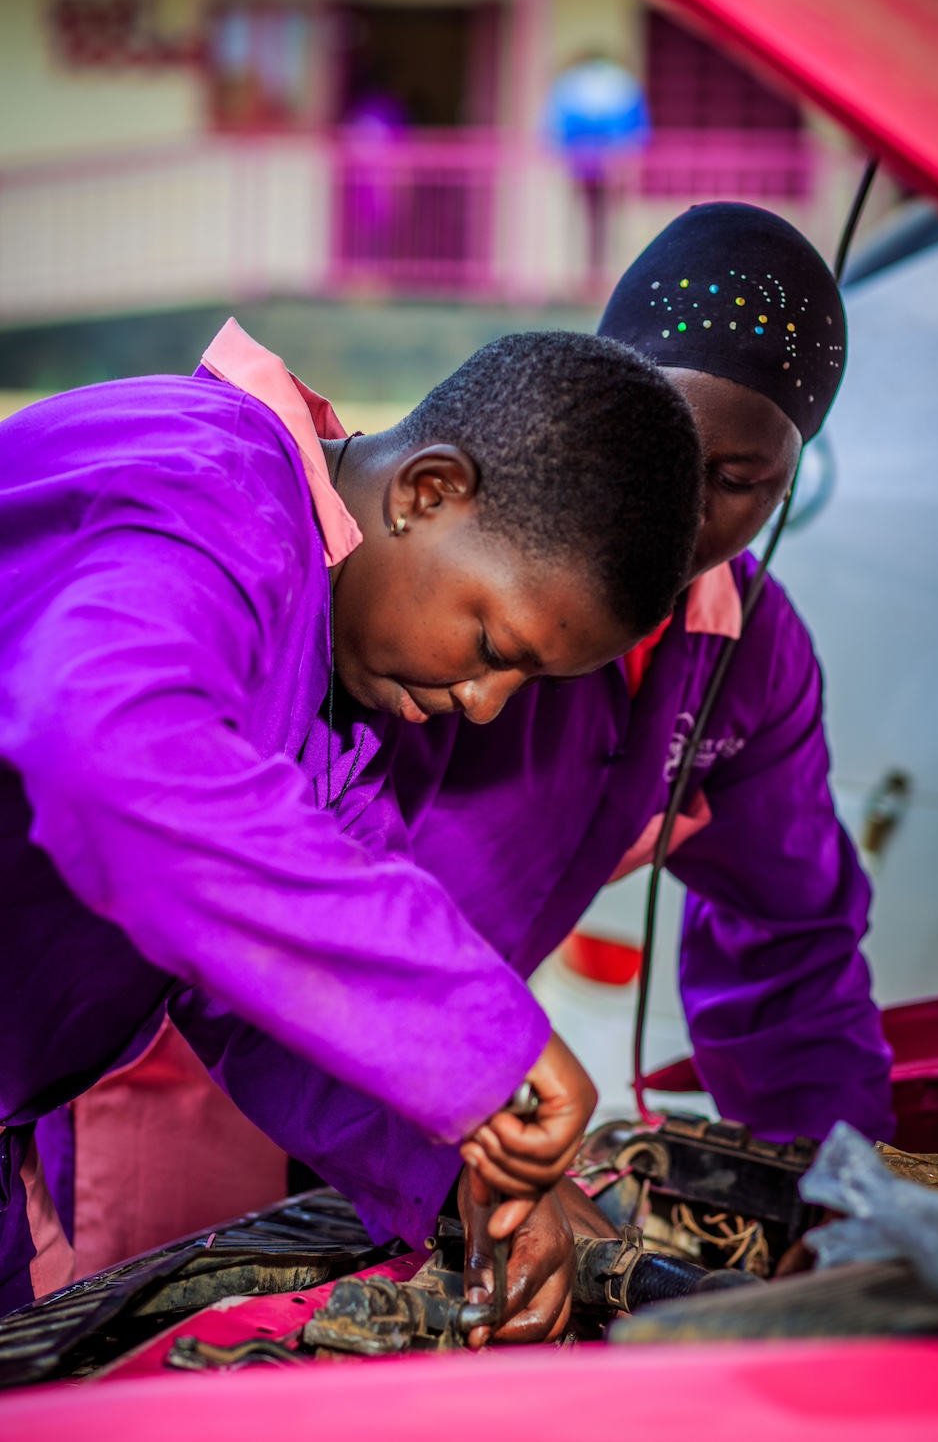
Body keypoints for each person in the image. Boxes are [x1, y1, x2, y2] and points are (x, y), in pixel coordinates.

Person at [0, 318, 704, 1320]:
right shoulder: (205, 494)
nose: (485, 703)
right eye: (491, 643)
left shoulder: (334, 715)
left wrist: (473, 1170)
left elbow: (264, 999)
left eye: (526, 683)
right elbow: (110, 753)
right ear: (428, 492)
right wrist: (470, 1027)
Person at [391, 203, 894, 1300]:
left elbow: (789, 951)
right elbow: (291, 888)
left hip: (442, 1109)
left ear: (790, 484)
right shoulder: (433, 584)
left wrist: (840, 1195)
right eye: (658, 439)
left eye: (733, 481)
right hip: (218, 1058)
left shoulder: (747, 661)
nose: (677, 505)